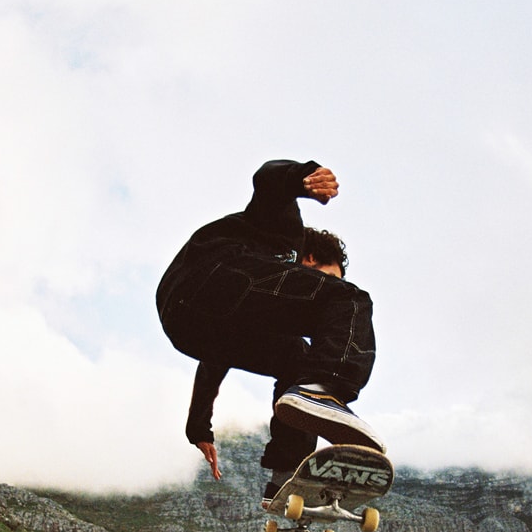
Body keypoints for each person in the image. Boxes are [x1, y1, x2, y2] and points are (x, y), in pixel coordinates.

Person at [156, 159, 383, 501]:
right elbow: (267, 181)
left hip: (188, 327)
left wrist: (199, 427)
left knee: (296, 357)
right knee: (348, 300)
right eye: (329, 274)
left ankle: (285, 475)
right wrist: (304, 176)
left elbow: (216, 357)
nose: (326, 284)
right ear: (310, 260)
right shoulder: (284, 233)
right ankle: (323, 390)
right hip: (215, 276)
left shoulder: (262, 306)